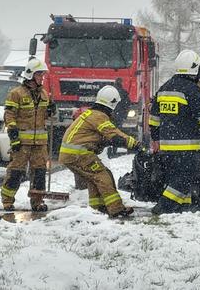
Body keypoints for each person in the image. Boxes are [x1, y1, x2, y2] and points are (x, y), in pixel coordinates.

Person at [149, 49, 200, 215]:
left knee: (175, 177)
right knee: (183, 179)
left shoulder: (165, 87)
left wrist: (155, 138)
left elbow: (154, 118)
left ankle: (183, 208)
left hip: (167, 147)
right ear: (194, 69)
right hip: (187, 146)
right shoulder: (192, 89)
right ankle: (163, 207)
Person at [59, 85, 140, 217]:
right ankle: (116, 209)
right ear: (112, 103)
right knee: (103, 176)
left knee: (93, 178)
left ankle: (97, 207)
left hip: (72, 154)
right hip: (79, 154)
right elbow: (115, 135)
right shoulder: (99, 116)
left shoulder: (91, 114)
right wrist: (136, 145)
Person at [0, 58, 55, 212]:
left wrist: (52, 109)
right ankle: (7, 201)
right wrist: (14, 137)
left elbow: (47, 116)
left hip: (40, 144)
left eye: (42, 75)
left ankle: (37, 202)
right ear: (30, 75)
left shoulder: (44, 94)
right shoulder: (16, 93)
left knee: (39, 173)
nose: (42, 78)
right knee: (16, 172)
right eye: (39, 74)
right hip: (22, 143)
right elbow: (9, 116)